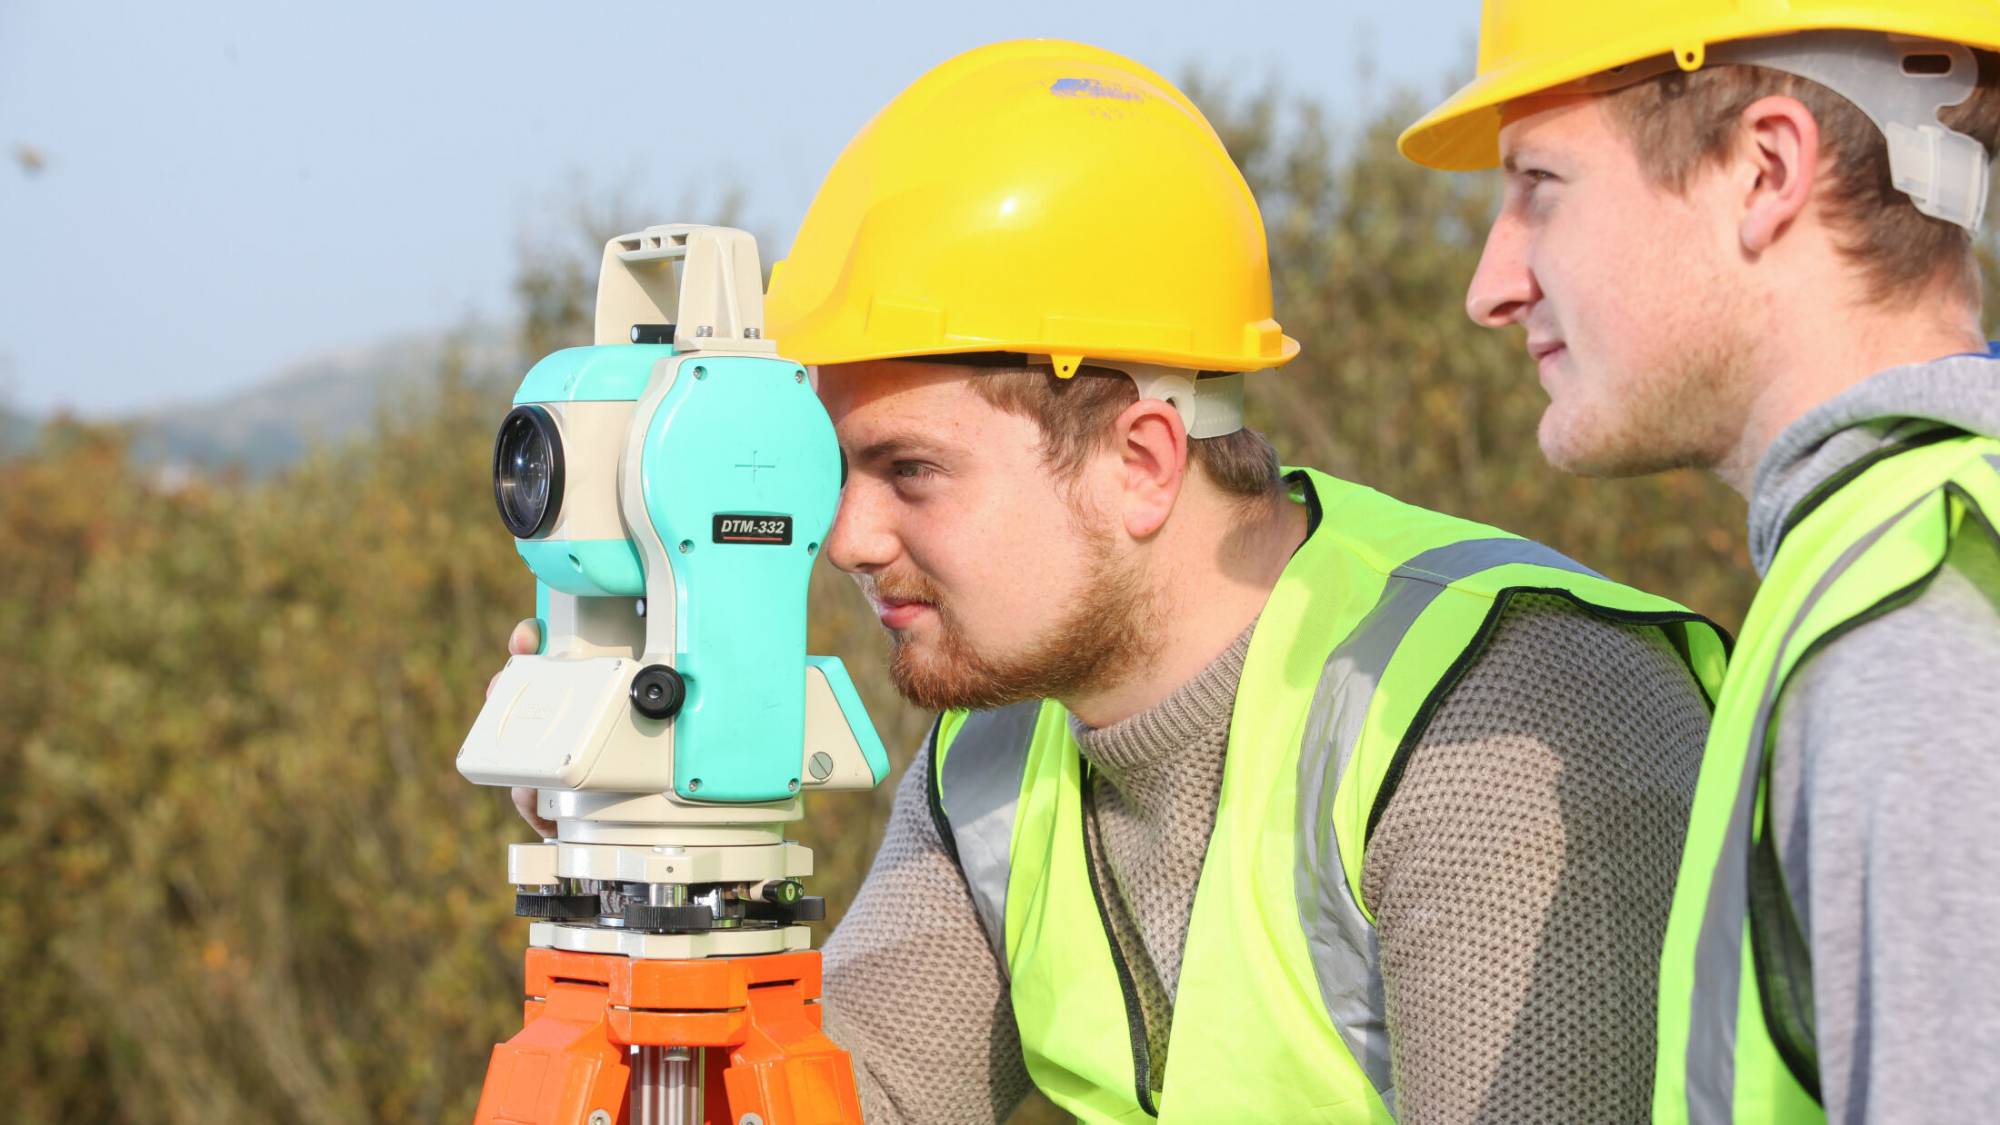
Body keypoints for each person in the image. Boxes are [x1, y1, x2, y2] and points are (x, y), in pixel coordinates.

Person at [506, 41, 1724, 1121]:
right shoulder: (994, 753)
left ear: (1139, 461)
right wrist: (636, 858)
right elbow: (831, 1103)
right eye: (835, 473)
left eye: (910, 471)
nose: (849, 540)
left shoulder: (1507, 725)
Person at [1401, 5, 2000, 1121]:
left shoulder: (1911, 630)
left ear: (1762, 171)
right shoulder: (1898, 562)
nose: (1489, 286)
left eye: (1540, 184)